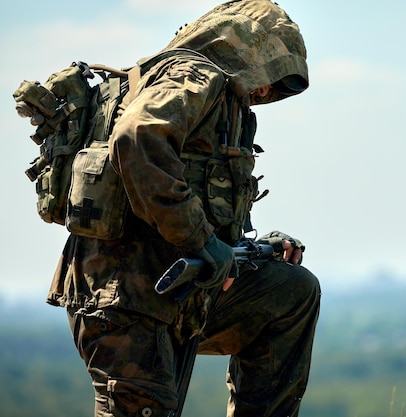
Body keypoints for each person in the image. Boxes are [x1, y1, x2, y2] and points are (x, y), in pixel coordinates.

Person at [45, 1, 321, 416]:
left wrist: (237, 247)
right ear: (243, 50)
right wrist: (202, 241)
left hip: (178, 287)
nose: (265, 91)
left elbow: (191, 188)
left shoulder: (196, 89)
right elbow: (138, 137)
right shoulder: (194, 76)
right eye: (268, 73)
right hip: (128, 297)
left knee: (290, 292)